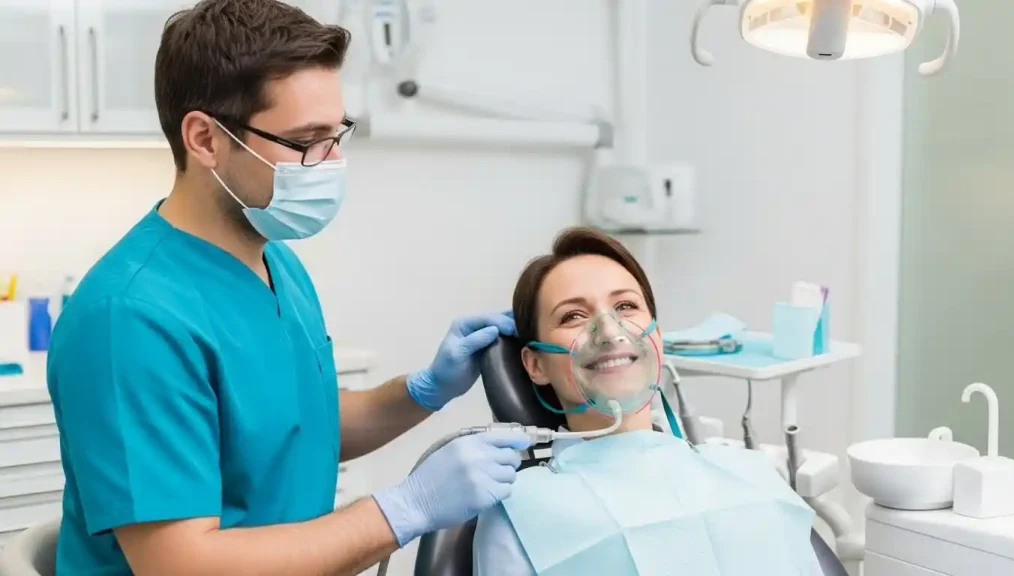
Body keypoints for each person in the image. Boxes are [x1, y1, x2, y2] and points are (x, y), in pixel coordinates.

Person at [45, 1, 530, 574]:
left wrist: (424, 390)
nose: (331, 161)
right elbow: (181, 564)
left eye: (336, 133)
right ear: (204, 139)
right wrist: (405, 508)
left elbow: (293, 431)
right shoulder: (129, 319)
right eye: (307, 141)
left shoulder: (273, 259)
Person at [472, 227, 824, 575]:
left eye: (625, 306)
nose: (610, 332)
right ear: (536, 364)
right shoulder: (520, 512)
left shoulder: (750, 473)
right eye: (573, 316)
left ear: (656, 336)